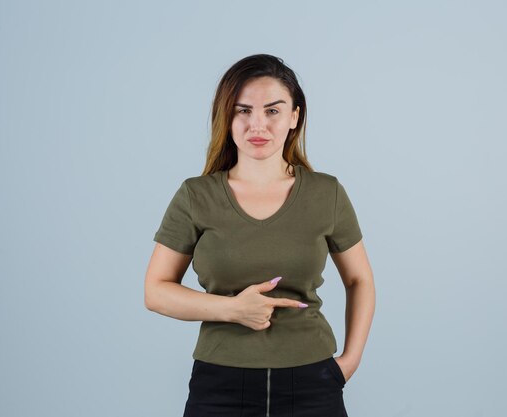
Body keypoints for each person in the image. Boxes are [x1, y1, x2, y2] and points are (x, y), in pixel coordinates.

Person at [144, 53, 375, 417]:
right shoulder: (195, 196)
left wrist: (349, 361)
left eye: (272, 111)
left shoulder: (326, 193)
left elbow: (360, 279)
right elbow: (155, 291)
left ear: (294, 116)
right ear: (227, 116)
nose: (257, 125)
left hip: (313, 381)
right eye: (243, 110)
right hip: (219, 385)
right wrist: (233, 309)